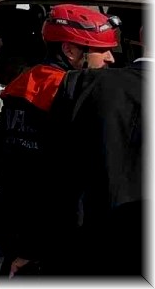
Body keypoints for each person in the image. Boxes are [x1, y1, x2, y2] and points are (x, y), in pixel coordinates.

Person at [0, 4, 120, 276]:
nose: (110, 59)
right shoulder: (70, 96)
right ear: (70, 50)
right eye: (100, 50)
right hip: (51, 245)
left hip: (15, 233)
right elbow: (58, 181)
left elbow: (3, 163)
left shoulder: (22, 86)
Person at [36, 47, 144, 276]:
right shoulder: (76, 82)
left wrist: (29, 245)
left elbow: (49, 171)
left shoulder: (81, 84)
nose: (111, 58)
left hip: (76, 247)